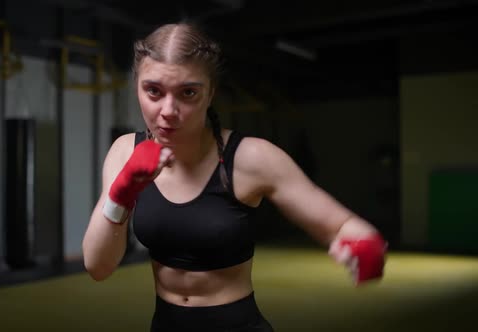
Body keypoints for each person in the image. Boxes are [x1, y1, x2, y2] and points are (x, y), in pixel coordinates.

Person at [82, 22, 387, 332]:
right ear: (137, 86)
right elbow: (97, 266)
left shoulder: (250, 158)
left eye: (188, 92)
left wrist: (365, 244)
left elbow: (340, 224)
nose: (168, 110)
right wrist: (122, 193)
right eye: (153, 91)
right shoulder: (124, 152)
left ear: (211, 93)